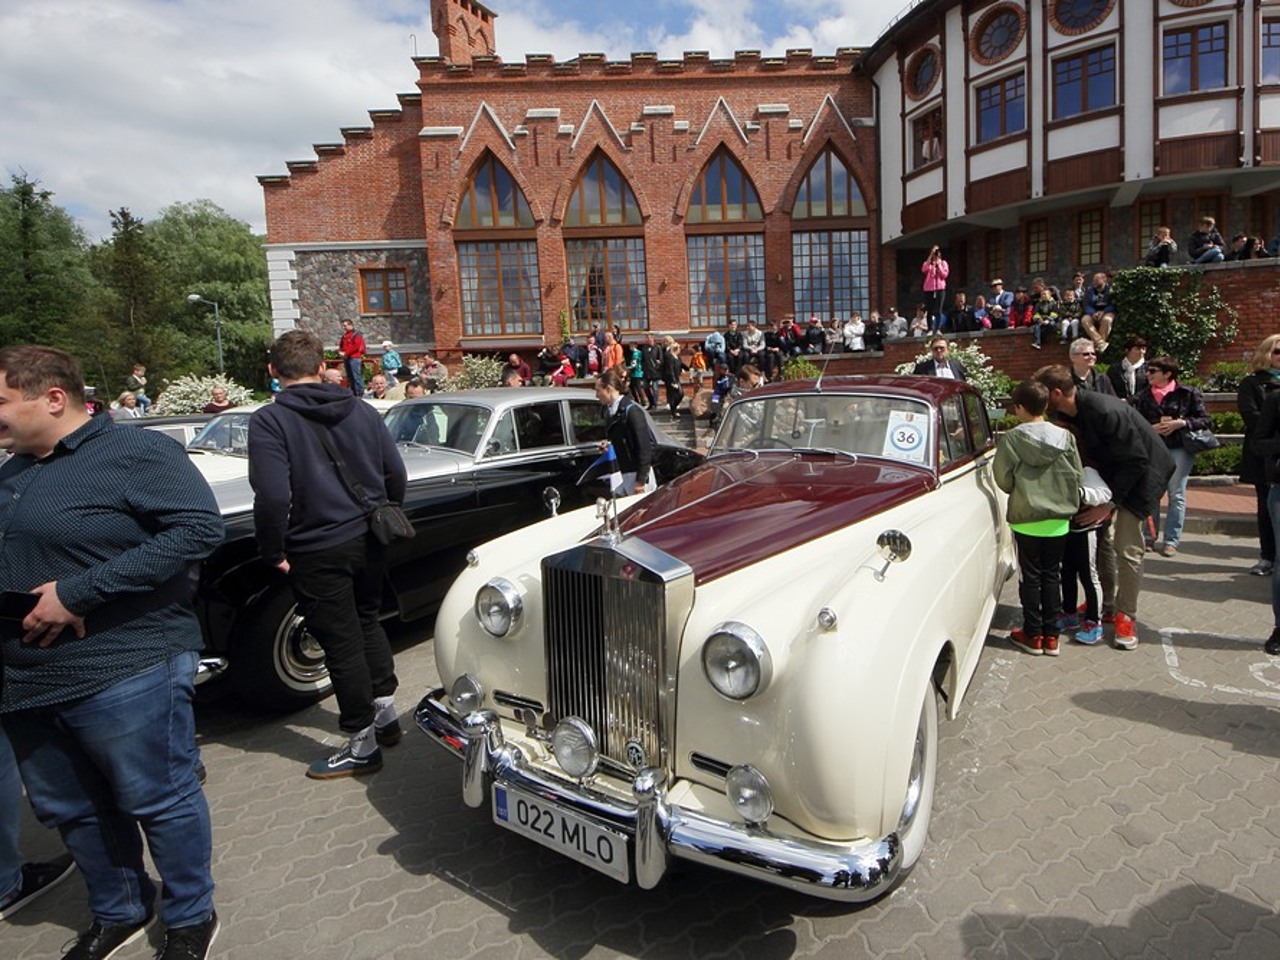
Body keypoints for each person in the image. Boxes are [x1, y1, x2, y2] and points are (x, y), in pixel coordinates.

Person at [0, 344, 224, 959]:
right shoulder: (12, 471)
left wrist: (79, 592)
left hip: (125, 666)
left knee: (160, 798)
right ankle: (121, 909)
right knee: (71, 809)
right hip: (26, 679)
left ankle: (188, 918)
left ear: (51, 398)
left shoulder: (137, 451)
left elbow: (198, 529)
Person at [247, 331, 407, 780]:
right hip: (369, 536)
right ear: (322, 367)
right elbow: (395, 473)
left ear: (274, 373)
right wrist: (383, 511)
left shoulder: (269, 421)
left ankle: (361, 743)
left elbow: (273, 496)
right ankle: (387, 715)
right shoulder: (360, 408)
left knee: (340, 642)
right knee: (368, 621)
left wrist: (272, 548)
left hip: (317, 544)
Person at [1034, 364, 1175, 650]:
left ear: (1057, 393)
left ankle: (1126, 616)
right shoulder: (1071, 412)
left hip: (1142, 478)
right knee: (1107, 543)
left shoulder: (1104, 411)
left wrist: (1109, 504)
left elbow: (1136, 461)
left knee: (1128, 548)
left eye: (1042, 395)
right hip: (1116, 477)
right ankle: (1107, 604)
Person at [994, 380, 1083, 657]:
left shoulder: (1012, 438)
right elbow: (1077, 474)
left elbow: (1003, 478)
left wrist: (1020, 489)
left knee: (1030, 578)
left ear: (1020, 407)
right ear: (1046, 405)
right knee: (1052, 576)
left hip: (1027, 516)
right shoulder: (1066, 437)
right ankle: (1052, 636)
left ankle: (1033, 635)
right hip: (1058, 519)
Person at [1133, 356, 1211, 557]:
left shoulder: (1188, 393)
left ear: (1167, 374)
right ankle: (1149, 536)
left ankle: (1171, 540)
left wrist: (1181, 423)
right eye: (1147, 371)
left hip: (1179, 447)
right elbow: (1133, 423)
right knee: (1153, 492)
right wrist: (1151, 429)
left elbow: (1204, 420)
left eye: (1153, 371)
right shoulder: (1142, 396)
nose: (1148, 374)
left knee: (1176, 493)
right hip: (1154, 448)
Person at [1237, 334, 1280, 576]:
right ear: (1266, 354)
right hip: (1266, 454)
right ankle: (1268, 556)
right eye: (1277, 351)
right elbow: (1252, 417)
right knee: (1267, 506)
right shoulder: (1252, 383)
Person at [593, 366, 655, 496]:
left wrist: (641, 480)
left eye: (598, 391)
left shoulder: (632, 411)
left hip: (636, 474)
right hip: (624, 472)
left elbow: (644, 447)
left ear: (609, 389)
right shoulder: (611, 412)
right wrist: (609, 443)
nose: (596, 395)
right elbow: (622, 437)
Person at [1106, 337, 1149, 403]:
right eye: (1137, 349)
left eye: (1143, 349)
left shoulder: (1149, 368)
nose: (1141, 352)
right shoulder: (1115, 368)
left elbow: (1149, 388)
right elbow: (1108, 386)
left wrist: (1131, 400)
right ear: (1127, 350)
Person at [1082, 272, 1115, 354]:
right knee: (1085, 320)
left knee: (1107, 320)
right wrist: (1093, 313)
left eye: (1097, 280)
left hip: (1107, 311)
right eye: (1094, 280)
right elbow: (1086, 305)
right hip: (1093, 312)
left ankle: (1097, 346)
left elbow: (1113, 304)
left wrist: (1103, 312)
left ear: (1104, 280)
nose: (1095, 282)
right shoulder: (1089, 291)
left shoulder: (1111, 290)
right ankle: (1100, 343)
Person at [920, 245, 949, 332]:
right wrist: (930, 256)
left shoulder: (943, 263)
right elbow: (923, 269)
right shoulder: (928, 264)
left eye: (937, 253)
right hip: (929, 289)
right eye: (934, 253)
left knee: (938, 309)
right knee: (929, 309)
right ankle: (930, 329)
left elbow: (944, 275)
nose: (936, 255)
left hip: (939, 288)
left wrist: (939, 264)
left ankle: (938, 328)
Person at [338, 320, 367, 397]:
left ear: (350, 325)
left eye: (345, 325)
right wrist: (340, 352)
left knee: (356, 375)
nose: (344, 327)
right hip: (347, 357)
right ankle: (354, 392)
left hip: (354, 357)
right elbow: (341, 346)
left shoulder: (356, 334)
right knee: (350, 376)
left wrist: (346, 353)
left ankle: (360, 392)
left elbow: (356, 346)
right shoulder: (345, 335)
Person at [660, 336, 685, 417]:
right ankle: (672, 409)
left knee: (678, 393)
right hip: (669, 376)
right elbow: (668, 366)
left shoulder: (673, 353)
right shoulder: (666, 353)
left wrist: (682, 368)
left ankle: (673, 407)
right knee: (672, 392)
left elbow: (679, 362)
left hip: (674, 375)